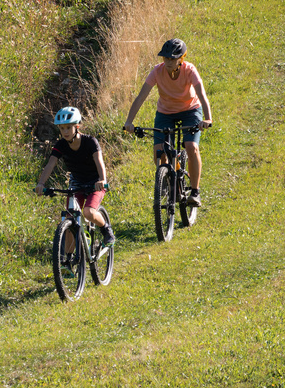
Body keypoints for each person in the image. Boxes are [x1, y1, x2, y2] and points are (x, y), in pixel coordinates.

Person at [123, 38, 213, 207]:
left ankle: (195, 192)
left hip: (190, 110)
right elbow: (141, 97)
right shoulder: (157, 71)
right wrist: (129, 121)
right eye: (166, 58)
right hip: (165, 113)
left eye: (172, 58)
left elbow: (201, 94)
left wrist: (207, 118)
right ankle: (167, 182)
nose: (168, 62)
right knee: (159, 152)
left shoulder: (189, 70)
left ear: (181, 59)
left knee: (191, 146)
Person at [34, 106, 115, 246]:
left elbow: (99, 161)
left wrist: (102, 180)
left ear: (77, 126)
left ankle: (106, 230)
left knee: (88, 212)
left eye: (68, 127)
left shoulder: (90, 142)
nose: (65, 132)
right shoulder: (61, 145)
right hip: (76, 182)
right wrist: (41, 183)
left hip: (95, 182)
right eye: (62, 128)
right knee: (69, 219)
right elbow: (50, 164)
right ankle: (68, 262)